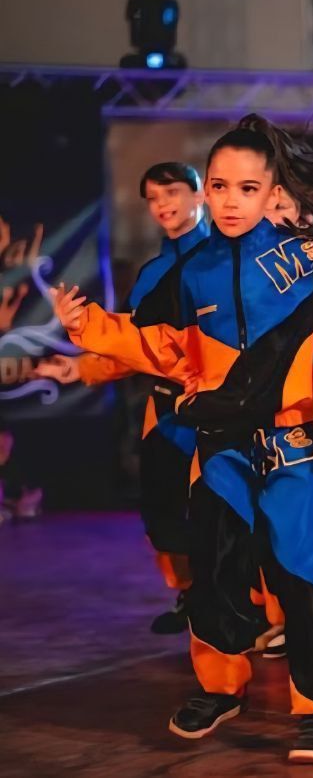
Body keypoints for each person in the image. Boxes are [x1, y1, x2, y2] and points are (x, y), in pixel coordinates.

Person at [52, 114, 313, 763]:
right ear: (205, 192)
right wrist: (90, 330)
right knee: (213, 575)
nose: (231, 200)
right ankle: (220, 687)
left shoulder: (312, 257)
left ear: (274, 192)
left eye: (248, 188)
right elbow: (162, 346)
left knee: (305, 581)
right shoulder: (193, 272)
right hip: (222, 451)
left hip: (298, 450)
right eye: (220, 186)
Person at [36, 162, 210, 634]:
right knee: (162, 517)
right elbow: (135, 344)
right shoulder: (154, 273)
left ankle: (241, 609)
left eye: (172, 192)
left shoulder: (224, 261)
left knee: (224, 516)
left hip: (219, 411)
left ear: (200, 195)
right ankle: (192, 596)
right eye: (153, 198)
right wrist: (79, 367)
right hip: (166, 414)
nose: (163, 205)